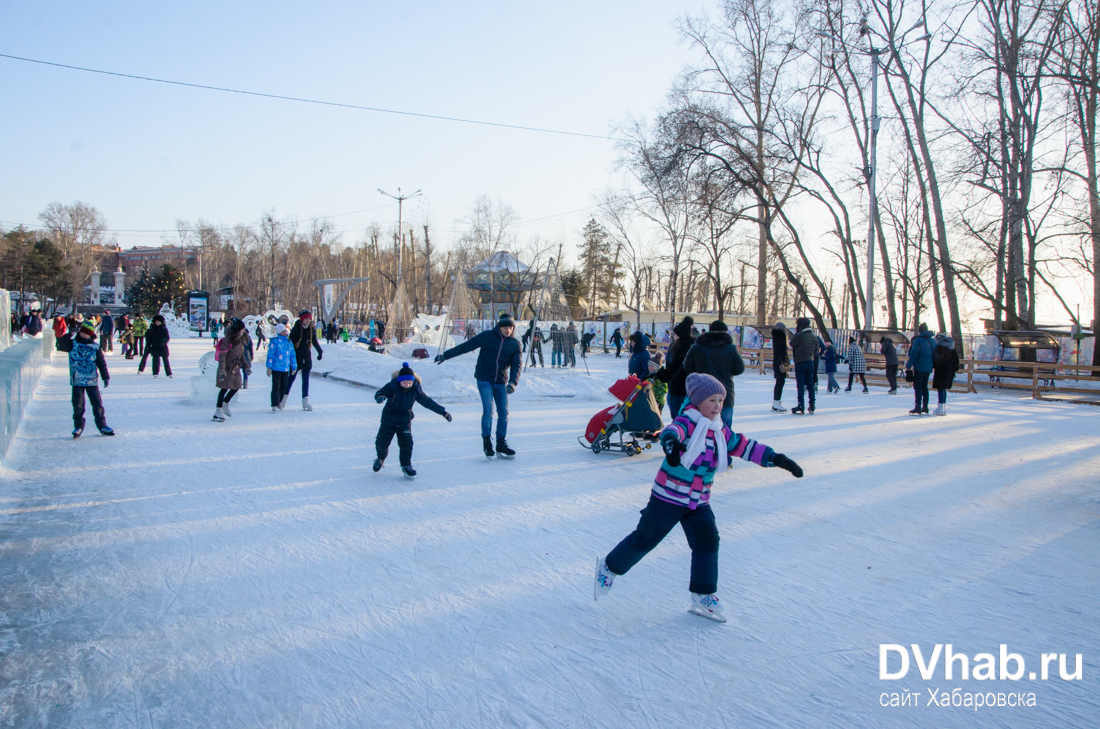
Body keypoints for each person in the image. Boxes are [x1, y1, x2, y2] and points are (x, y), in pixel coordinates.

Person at [594, 373, 803, 621]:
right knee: (646, 538)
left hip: (698, 501)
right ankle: (608, 568)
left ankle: (702, 594)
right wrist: (671, 446)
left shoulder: (719, 430)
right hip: (668, 497)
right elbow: (672, 431)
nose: (717, 406)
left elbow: (745, 447)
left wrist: (777, 458)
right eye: (712, 400)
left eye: (720, 401)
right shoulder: (689, 421)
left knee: (707, 541)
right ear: (698, 401)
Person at [435, 312, 521, 459]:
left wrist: (513, 383)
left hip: (501, 381)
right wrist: (446, 355)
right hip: (484, 378)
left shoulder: (514, 344)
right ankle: (487, 441)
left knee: (504, 412)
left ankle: (501, 442)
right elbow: (466, 346)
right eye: (505, 327)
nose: (508, 330)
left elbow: (516, 365)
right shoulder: (487, 336)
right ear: (499, 327)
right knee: (489, 410)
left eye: (511, 328)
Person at [372, 361, 453, 478]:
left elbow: (427, 402)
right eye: (405, 382)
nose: (408, 385)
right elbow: (381, 392)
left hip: (404, 420)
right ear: (400, 381)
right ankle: (380, 458)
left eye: (410, 382)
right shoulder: (393, 386)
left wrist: (443, 412)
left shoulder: (415, 389)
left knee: (407, 445)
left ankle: (406, 465)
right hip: (388, 419)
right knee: (381, 443)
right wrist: (380, 397)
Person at [682, 320, 745, 429]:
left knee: (700, 431)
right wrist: (727, 371)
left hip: (702, 394)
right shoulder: (730, 348)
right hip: (725, 394)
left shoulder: (697, 347)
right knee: (725, 433)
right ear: (725, 332)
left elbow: (687, 367)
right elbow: (740, 369)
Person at [57, 321, 114, 437]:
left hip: (91, 380)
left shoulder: (95, 347)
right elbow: (59, 345)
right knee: (78, 405)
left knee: (97, 404)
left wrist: (105, 377)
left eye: (87, 333)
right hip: (77, 380)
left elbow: (101, 363)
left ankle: (102, 425)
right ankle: (78, 427)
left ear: (91, 335)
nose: (84, 335)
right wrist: (69, 334)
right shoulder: (72, 344)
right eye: (82, 332)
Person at [650, 317, 694, 419]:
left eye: (675, 334)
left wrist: (662, 374)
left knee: (678, 417)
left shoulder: (680, 348)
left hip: (677, 387)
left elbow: (674, 368)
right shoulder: (692, 346)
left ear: (679, 335)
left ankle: (678, 434)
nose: (673, 336)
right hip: (690, 387)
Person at [212, 319, 251, 422]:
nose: (243, 331)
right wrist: (222, 369)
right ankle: (218, 409)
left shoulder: (240, 340)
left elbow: (241, 355)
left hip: (235, 368)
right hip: (227, 368)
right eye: (242, 329)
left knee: (237, 386)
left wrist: (246, 367)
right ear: (237, 330)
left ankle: (225, 403)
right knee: (224, 388)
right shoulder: (228, 340)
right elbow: (222, 355)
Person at [287, 311, 323, 411]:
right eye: (306, 318)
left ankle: (305, 401)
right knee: (291, 378)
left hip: (306, 356)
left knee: (306, 379)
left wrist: (320, 351)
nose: (308, 320)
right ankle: (284, 397)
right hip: (296, 357)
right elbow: (290, 344)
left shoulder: (311, 329)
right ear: (302, 319)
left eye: (309, 318)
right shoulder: (296, 329)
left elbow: (314, 340)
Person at [265, 323, 297, 412]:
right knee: (276, 386)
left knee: (284, 385)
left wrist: (294, 366)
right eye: (283, 331)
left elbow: (292, 355)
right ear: (279, 332)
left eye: (285, 330)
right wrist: (269, 367)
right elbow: (270, 354)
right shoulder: (274, 342)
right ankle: (274, 403)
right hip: (276, 368)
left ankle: (279, 401)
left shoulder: (288, 342)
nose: (285, 332)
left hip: (285, 368)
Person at [906, 323, 936, 415]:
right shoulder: (932, 341)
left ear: (920, 331)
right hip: (928, 367)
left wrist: (908, 365)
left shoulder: (918, 340)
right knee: (924, 387)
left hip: (919, 367)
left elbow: (914, 354)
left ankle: (918, 406)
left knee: (918, 386)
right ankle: (925, 406)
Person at [789, 317, 818, 415]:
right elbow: (816, 351)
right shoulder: (814, 337)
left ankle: (801, 404)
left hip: (800, 362)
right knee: (810, 384)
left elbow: (792, 343)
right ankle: (812, 403)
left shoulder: (800, 336)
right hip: (810, 362)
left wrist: (797, 333)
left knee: (800, 384)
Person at [931, 334, 961, 416]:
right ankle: (942, 405)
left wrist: (934, 365)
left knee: (941, 388)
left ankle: (940, 405)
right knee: (943, 388)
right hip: (949, 371)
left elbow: (936, 359)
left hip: (941, 370)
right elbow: (956, 361)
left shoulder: (939, 349)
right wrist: (953, 369)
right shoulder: (951, 349)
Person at [771, 322, 789, 412]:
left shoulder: (777, 337)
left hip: (779, 362)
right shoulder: (780, 337)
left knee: (779, 381)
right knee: (780, 382)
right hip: (780, 363)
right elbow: (779, 352)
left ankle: (776, 401)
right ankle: (777, 402)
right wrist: (781, 363)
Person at [646, 351, 668, 416]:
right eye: (649, 365)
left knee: (657, 415)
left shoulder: (660, 377)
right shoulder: (649, 375)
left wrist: (655, 393)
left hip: (659, 400)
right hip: (651, 398)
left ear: (656, 367)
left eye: (652, 366)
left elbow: (664, 389)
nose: (650, 367)